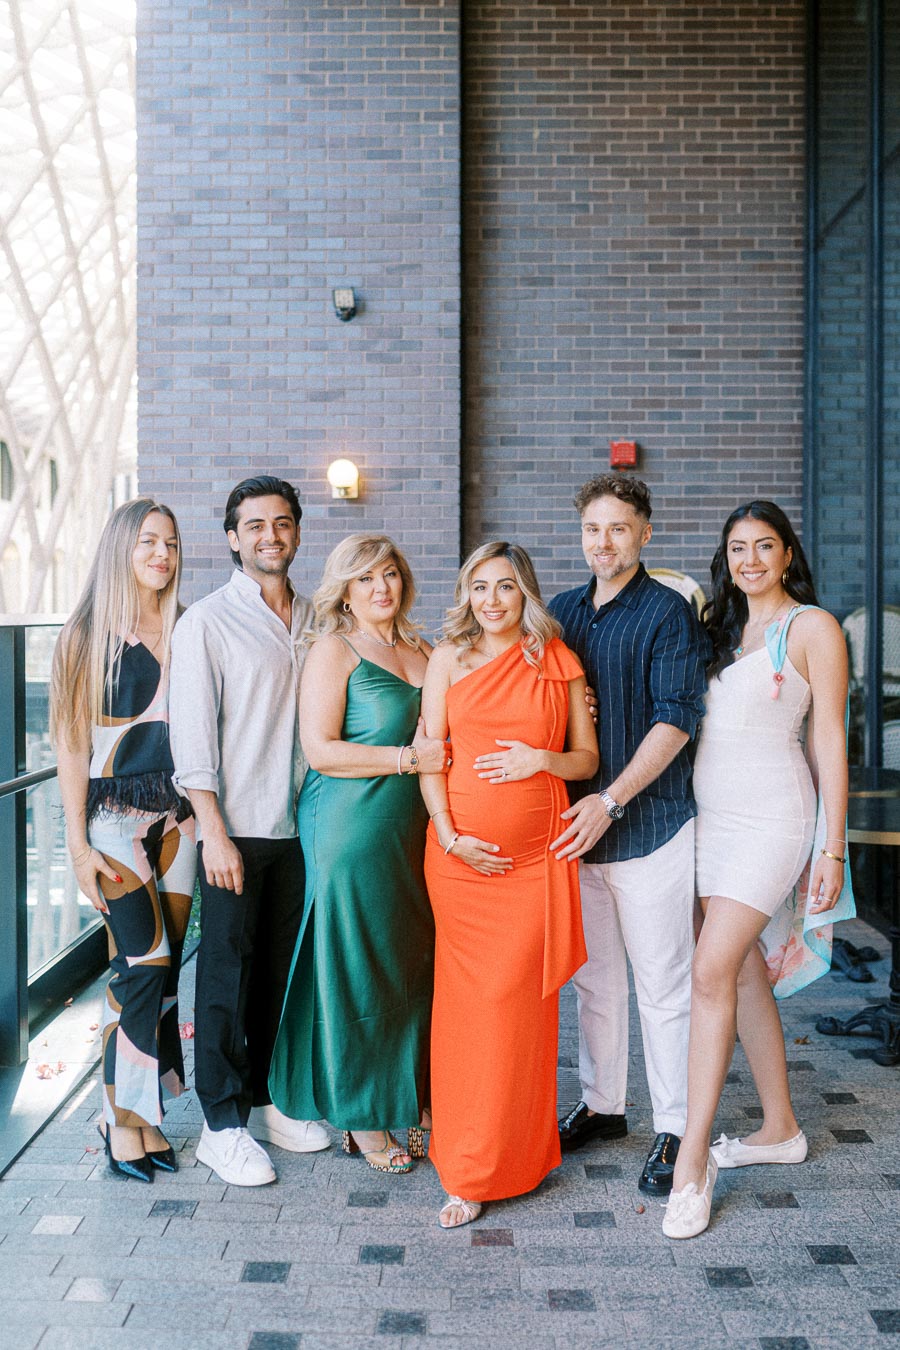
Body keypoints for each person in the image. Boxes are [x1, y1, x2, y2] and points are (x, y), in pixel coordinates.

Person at [663, 501, 853, 1239]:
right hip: (711, 824)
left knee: (710, 970)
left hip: (775, 820)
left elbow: (830, 739)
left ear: (786, 553)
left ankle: (691, 1164)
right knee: (738, 973)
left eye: (763, 546)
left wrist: (832, 848)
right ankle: (780, 1128)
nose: (749, 560)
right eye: (737, 548)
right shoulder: (715, 629)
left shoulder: (812, 629)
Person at [420, 542, 598, 1228]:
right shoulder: (446, 660)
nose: (492, 600)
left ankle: (519, 1156)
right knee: (468, 1011)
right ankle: (466, 1168)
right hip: (460, 865)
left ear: (526, 593)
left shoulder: (556, 662)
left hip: (534, 868)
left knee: (517, 1012)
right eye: (480, 588)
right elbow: (431, 753)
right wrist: (446, 831)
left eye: (505, 587)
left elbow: (587, 757)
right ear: (467, 595)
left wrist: (539, 757)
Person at [549, 474, 707, 1197]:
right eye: (592, 530)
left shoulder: (669, 613)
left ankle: (675, 1125)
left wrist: (611, 799)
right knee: (596, 983)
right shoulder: (559, 612)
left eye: (617, 529)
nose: (603, 542)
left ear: (645, 533)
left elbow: (676, 720)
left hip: (648, 826)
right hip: (577, 833)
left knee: (665, 987)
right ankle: (605, 1106)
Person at [169, 475, 329, 1187]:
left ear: (297, 532)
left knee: (275, 976)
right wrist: (213, 829)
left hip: (302, 828)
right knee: (225, 979)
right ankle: (221, 1124)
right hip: (236, 828)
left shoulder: (319, 617)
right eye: (255, 525)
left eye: (282, 523)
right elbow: (192, 738)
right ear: (233, 537)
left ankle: (266, 1101)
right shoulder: (207, 621)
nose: (271, 535)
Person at [268, 533, 445, 1173]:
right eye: (366, 577)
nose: (381, 587)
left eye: (391, 574)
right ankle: (362, 1115)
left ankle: (410, 1094)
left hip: (413, 827)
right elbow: (320, 750)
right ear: (344, 587)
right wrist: (406, 759)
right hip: (348, 825)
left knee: (409, 960)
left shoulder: (426, 648)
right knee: (357, 962)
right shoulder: (333, 650)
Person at [51, 498, 197, 1182]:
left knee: (160, 977)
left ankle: (143, 1118)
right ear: (120, 549)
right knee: (143, 964)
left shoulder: (183, 625)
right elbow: (72, 744)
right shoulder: (85, 635)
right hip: (112, 822)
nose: (162, 554)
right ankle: (120, 1121)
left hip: (180, 820)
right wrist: (77, 845)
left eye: (170, 543)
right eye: (148, 542)